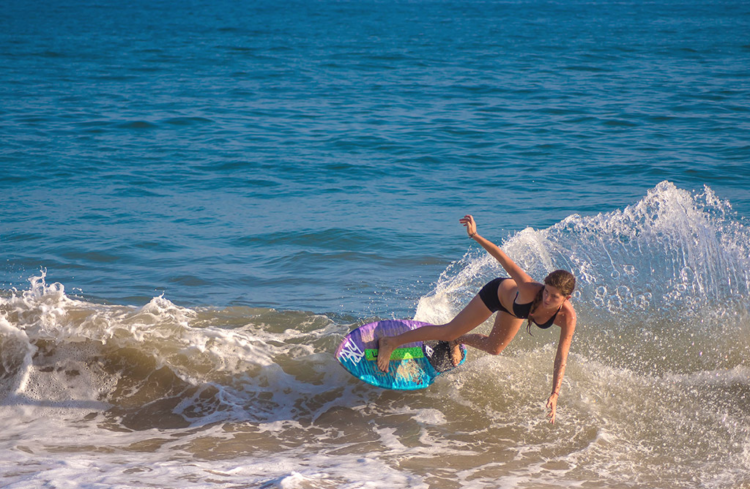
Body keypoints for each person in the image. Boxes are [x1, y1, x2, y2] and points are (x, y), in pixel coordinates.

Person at [377, 215, 577, 423]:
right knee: (448, 330)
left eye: (554, 297)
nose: (547, 298)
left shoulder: (568, 318)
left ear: (566, 298)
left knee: (494, 348)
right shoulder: (529, 288)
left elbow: (561, 356)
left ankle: (457, 341)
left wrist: (555, 393)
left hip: (515, 311)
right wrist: (475, 235)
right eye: (546, 292)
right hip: (496, 294)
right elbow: (503, 258)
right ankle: (391, 342)